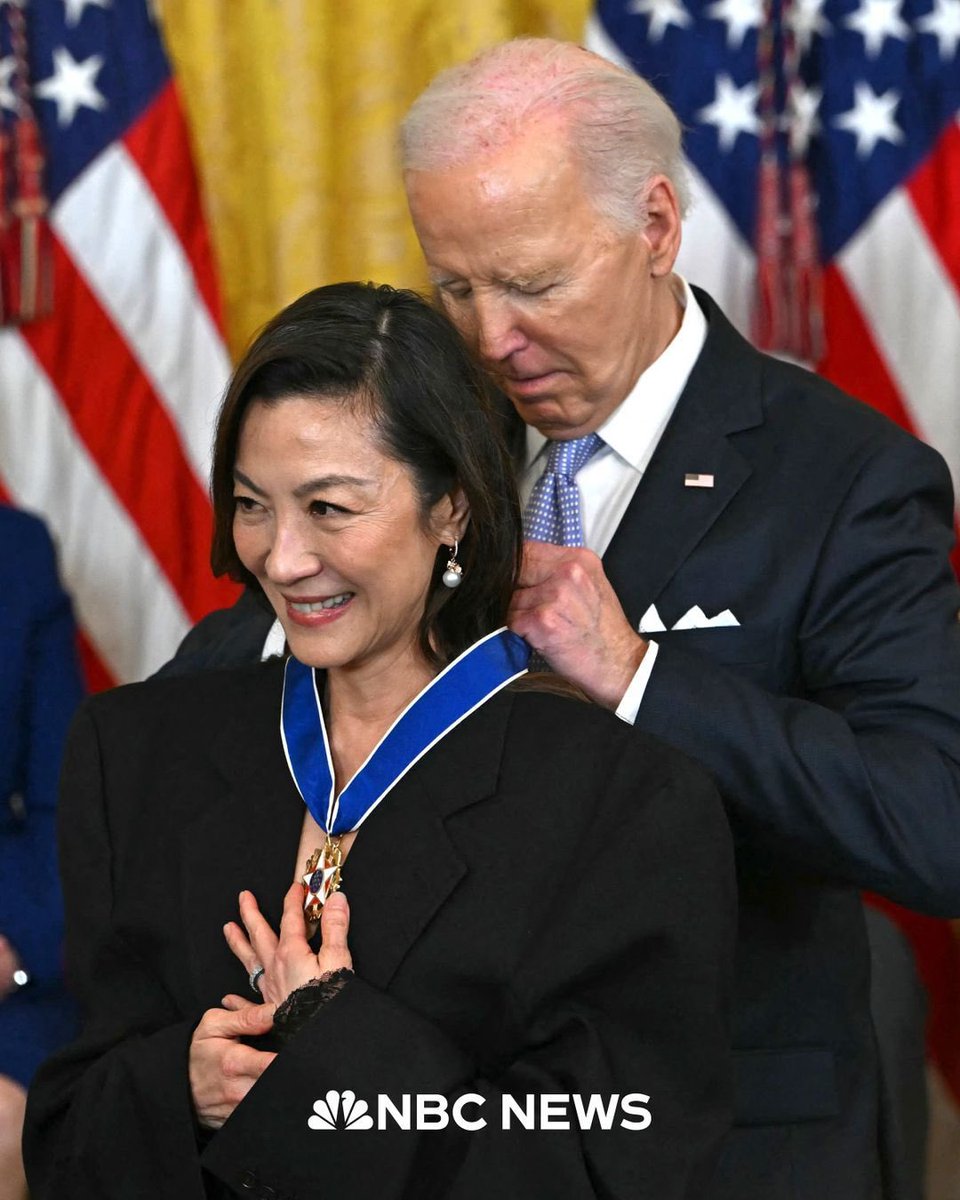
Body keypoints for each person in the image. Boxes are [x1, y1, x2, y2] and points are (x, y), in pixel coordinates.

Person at [161, 39, 960, 1200]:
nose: (490, 339)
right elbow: (230, 655)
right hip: (438, 1132)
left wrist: (636, 678)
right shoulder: (439, 427)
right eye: (456, 285)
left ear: (655, 226)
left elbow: (933, 820)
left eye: (532, 285)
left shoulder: (842, 476)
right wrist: (335, 611)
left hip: (724, 1145)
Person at [24, 282, 735, 1200]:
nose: (281, 558)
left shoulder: (627, 803)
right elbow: (65, 1134)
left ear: (454, 510)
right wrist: (181, 1088)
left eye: (329, 508)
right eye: (252, 504)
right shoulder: (135, 753)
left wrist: (336, 1051)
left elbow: (614, 1153)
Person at [0, 505, 84, 1200]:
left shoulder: (15, 550)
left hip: (6, 960)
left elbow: (64, 801)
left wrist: (16, 948)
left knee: (10, 1125)